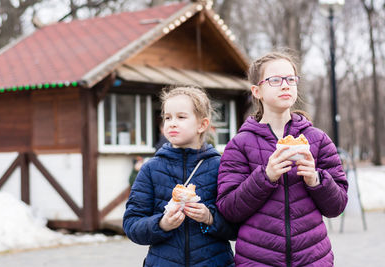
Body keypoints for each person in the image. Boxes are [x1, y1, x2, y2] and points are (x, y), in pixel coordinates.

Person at [216, 51, 348, 267]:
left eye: (290, 79)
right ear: (256, 91)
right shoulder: (239, 144)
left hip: (313, 259)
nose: (285, 85)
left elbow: (338, 206)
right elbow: (229, 209)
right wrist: (265, 177)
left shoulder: (318, 139)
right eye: (275, 80)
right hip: (257, 260)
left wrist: (316, 180)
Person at [124, 86, 236, 267]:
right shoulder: (151, 169)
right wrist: (161, 224)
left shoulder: (221, 166)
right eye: (167, 117)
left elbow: (237, 227)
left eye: (181, 117)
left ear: (202, 124)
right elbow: (131, 225)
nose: (172, 123)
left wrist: (210, 218)